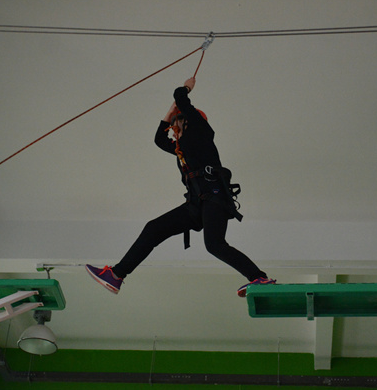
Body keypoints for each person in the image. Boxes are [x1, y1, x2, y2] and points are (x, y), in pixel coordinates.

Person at [87, 77, 275, 297]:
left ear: (186, 122)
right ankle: (116, 274)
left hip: (213, 198)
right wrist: (169, 113)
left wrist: (185, 88)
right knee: (154, 228)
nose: (173, 130)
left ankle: (259, 278)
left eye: (176, 124)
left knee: (214, 244)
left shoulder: (201, 134)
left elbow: (181, 98)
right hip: (196, 203)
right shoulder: (181, 149)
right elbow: (159, 140)